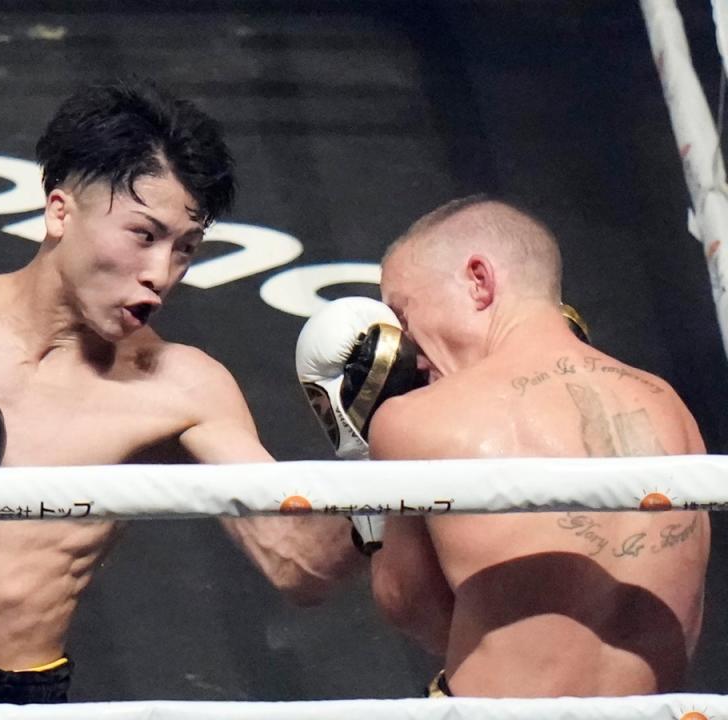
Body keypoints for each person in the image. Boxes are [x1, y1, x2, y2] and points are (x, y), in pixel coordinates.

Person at [0, 80, 358, 705]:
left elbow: (297, 566)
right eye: (143, 234)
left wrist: (372, 456)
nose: (161, 274)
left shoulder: (183, 388)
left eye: (186, 248)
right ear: (59, 211)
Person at [297, 196, 709, 697]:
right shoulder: (668, 405)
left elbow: (411, 606)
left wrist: (365, 460)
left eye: (404, 314)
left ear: (479, 280)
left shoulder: (421, 421)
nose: (409, 351)